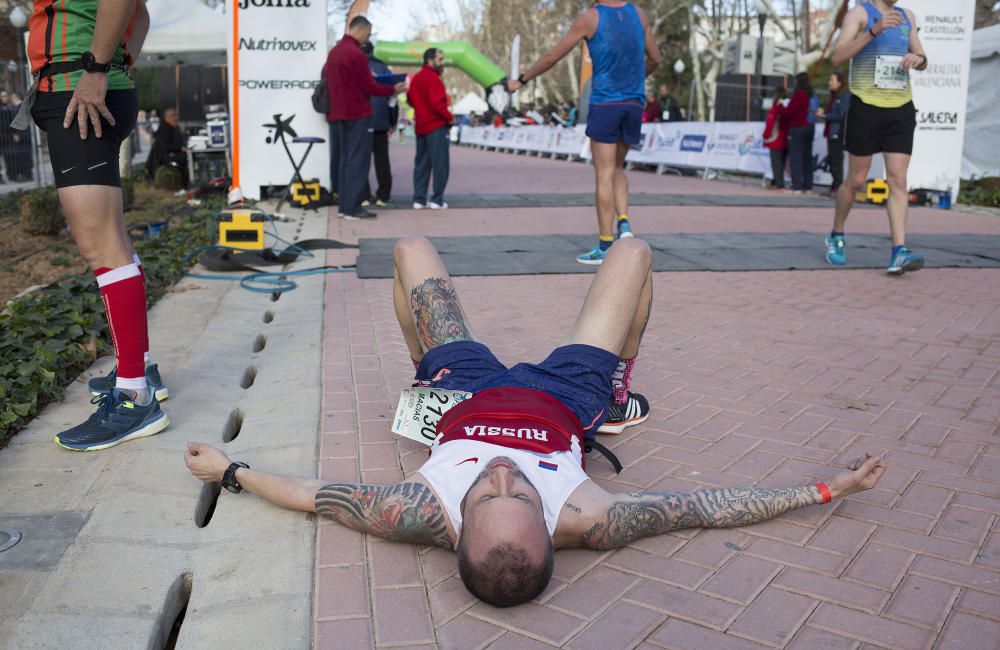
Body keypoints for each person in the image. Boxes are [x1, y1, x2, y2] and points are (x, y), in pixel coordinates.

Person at [185, 237, 888, 608]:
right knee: (635, 253)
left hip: (467, 390)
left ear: (451, 532)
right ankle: (617, 391)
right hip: (564, 394)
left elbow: (314, 496)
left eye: (483, 496)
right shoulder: (591, 520)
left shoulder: (413, 511)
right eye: (520, 496)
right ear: (553, 531)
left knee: (410, 252)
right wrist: (825, 491)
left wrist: (232, 472)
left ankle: (423, 370)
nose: (501, 474)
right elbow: (706, 508)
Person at [16, 0, 168, 451]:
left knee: (102, 247)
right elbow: (139, 15)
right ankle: (137, 370)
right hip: (79, 88)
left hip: (79, 92)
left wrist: (98, 69)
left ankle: (135, 397)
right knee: (112, 241)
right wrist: (114, 66)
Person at [509, 0, 660, 265]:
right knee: (617, 168)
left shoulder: (590, 18)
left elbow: (552, 57)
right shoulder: (639, 14)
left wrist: (522, 80)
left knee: (603, 173)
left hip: (606, 102)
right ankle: (624, 224)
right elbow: (656, 59)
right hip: (633, 102)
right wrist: (636, 80)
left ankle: (604, 246)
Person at [826, 0, 927, 275]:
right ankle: (836, 233)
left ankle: (898, 251)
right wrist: (873, 31)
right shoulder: (859, 13)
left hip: (901, 108)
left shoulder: (907, 16)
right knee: (857, 179)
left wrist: (918, 60)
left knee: (898, 179)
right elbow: (837, 58)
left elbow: (922, 57)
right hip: (865, 106)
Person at [325, 16, 404, 220]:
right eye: (368, 35)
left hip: (338, 113)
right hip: (357, 113)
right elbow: (368, 87)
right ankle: (352, 207)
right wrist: (391, 89)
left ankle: (344, 205)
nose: (367, 40)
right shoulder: (356, 54)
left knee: (344, 160)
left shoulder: (334, 53)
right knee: (358, 161)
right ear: (360, 30)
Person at [408, 48, 454, 210]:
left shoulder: (417, 78)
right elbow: (437, 104)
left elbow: (410, 99)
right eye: (440, 59)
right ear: (430, 60)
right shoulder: (433, 78)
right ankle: (437, 199)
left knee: (421, 164)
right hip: (436, 126)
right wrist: (449, 117)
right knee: (440, 164)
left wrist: (421, 110)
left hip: (421, 126)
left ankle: (419, 199)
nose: (443, 62)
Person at [361, 41, 399, 208]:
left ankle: (363, 196)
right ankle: (384, 195)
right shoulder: (384, 69)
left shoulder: (357, 66)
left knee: (361, 160)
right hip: (381, 121)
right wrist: (392, 121)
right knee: (382, 161)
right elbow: (393, 100)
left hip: (361, 121)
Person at [821, 71, 850, 196]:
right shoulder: (835, 96)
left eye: (832, 80)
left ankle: (839, 188)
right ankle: (834, 186)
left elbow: (841, 115)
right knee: (832, 160)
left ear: (839, 82)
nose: (829, 82)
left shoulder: (844, 96)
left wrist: (825, 115)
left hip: (837, 133)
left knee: (837, 160)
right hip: (830, 132)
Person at [786, 73, 814, 194]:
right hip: (809, 127)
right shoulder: (811, 95)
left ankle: (796, 185)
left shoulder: (799, 95)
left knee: (796, 156)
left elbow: (789, 111)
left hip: (797, 127)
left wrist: (780, 108)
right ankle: (807, 186)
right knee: (807, 157)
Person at [144, 107, 187, 184]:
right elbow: (165, 146)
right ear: (167, 118)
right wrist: (180, 148)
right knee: (185, 158)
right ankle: (185, 182)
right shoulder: (164, 129)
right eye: (173, 116)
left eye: (177, 115)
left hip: (171, 153)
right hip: (164, 157)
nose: (176, 118)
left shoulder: (174, 128)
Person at [763, 86, 790, 190]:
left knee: (776, 162)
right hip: (786, 139)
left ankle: (779, 183)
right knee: (781, 162)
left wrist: (765, 135)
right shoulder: (787, 107)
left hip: (776, 139)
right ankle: (776, 181)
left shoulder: (775, 108)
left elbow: (770, 123)